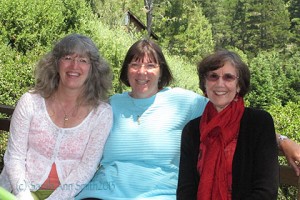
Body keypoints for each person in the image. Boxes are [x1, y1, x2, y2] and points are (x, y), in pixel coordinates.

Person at [76, 39, 299, 200]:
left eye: (150, 64)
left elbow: (236, 119)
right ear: (126, 70)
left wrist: (282, 140)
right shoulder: (108, 105)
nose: (142, 71)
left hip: (157, 195)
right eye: (135, 64)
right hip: (102, 194)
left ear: (162, 71)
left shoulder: (183, 103)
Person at [0, 34, 113, 200]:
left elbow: (87, 167)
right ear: (56, 63)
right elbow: (14, 157)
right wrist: (24, 196)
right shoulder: (30, 102)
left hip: (68, 196)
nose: (74, 65)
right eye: (67, 57)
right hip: (15, 192)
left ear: (93, 69)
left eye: (83, 60)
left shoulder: (101, 114)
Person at [177, 49, 278, 199]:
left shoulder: (259, 123)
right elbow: (186, 190)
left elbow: (266, 191)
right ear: (204, 84)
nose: (220, 83)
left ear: (239, 85)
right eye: (213, 76)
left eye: (228, 77)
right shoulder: (192, 130)